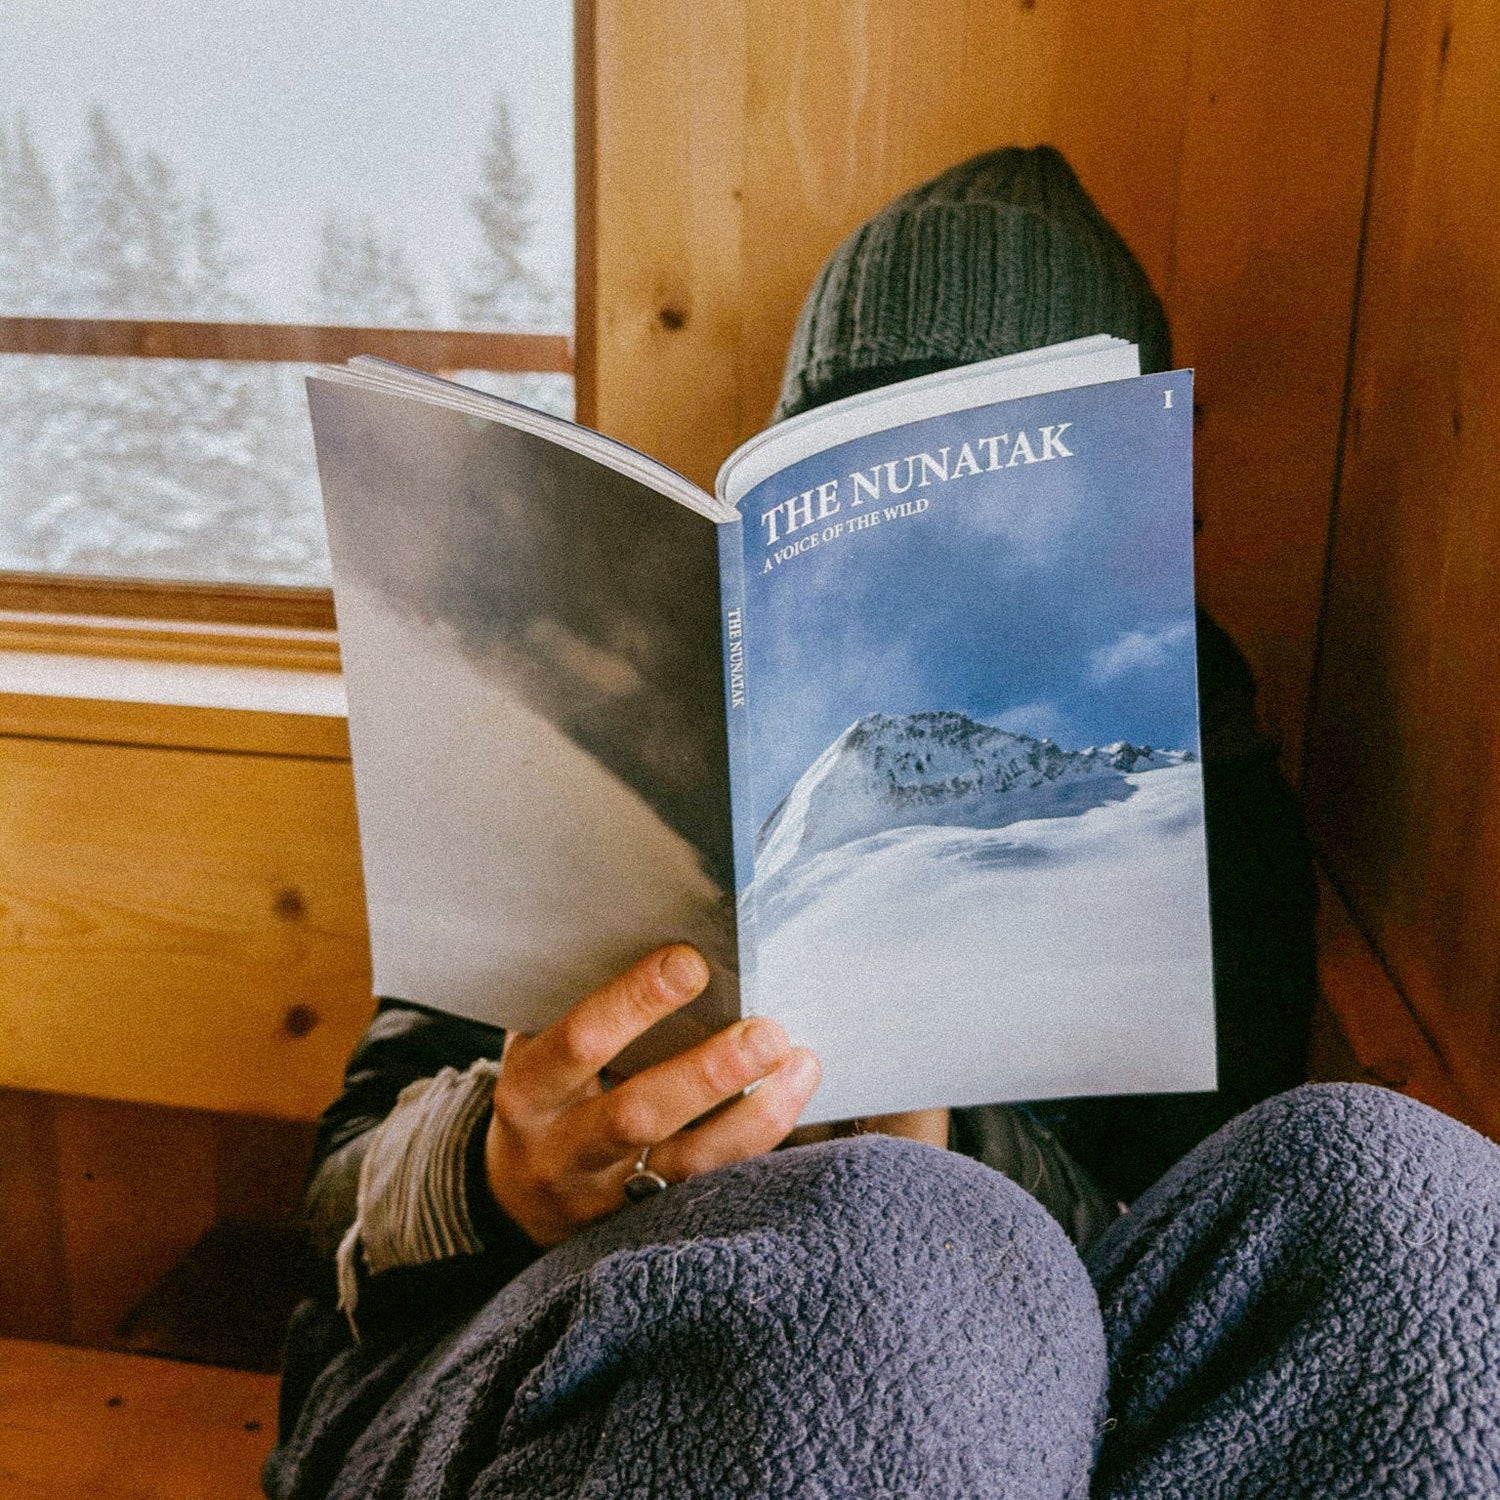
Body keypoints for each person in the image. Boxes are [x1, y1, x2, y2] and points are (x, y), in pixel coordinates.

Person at [265, 150, 1500, 1497]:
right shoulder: (624, 702)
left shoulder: (1202, 778)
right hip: (560, 1346)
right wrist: (503, 1173)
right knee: (881, 1273)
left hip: (1030, 1373)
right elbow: (338, 1189)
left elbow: (1196, 1240)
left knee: (1404, 1196)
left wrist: (959, 1151)